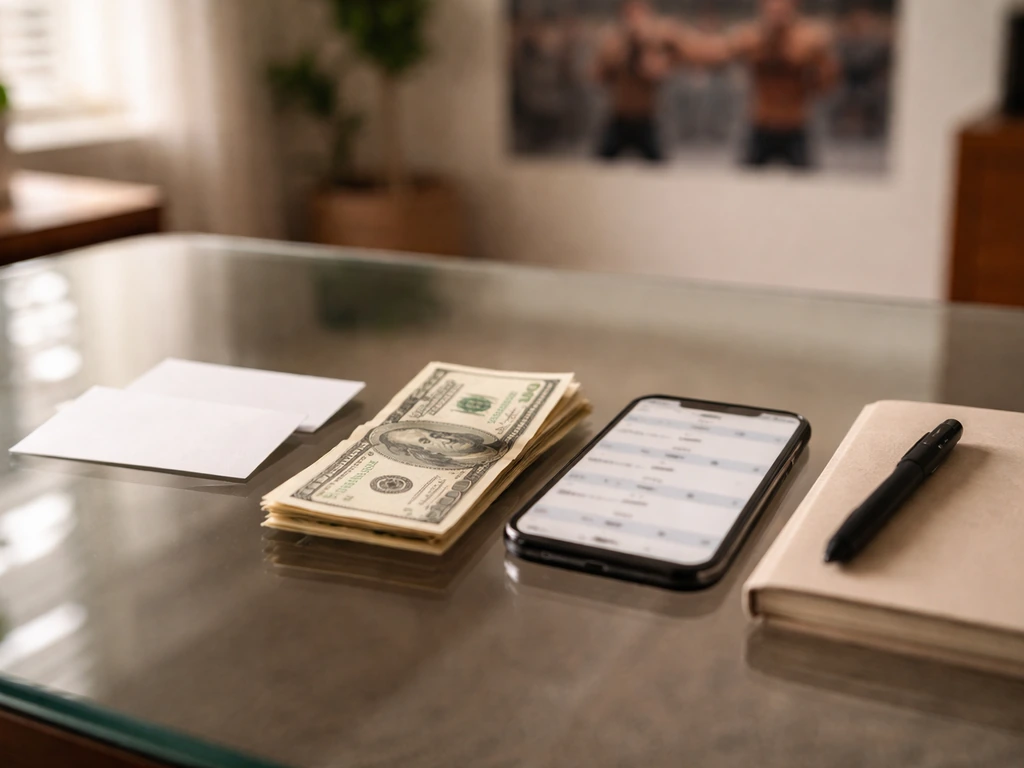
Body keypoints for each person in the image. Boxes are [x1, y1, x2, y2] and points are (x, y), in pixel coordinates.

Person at [730, 0, 839, 169]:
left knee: (806, 182)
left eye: (782, 9)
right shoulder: (750, 37)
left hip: (794, 123)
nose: (777, 14)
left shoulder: (808, 39)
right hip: (762, 122)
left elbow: (826, 84)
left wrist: (816, 65)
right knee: (745, 180)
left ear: (793, 8)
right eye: (772, 9)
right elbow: (717, 53)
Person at [593, 0, 676, 162]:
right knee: (600, 164)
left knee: (658, 166)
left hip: (646, 117)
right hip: (619, 116)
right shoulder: (613, 40)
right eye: (631, 14)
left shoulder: (654, 42)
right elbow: (598, 74)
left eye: (640, 14)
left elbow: (659, 73)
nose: (635, 20)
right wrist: (625, 47)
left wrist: (642, 47)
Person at [372, 424, 506, 469]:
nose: (445, 438)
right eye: (426, 441)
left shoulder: (499, 445)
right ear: (423, 451)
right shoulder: (462, 465)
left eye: (435, 435)